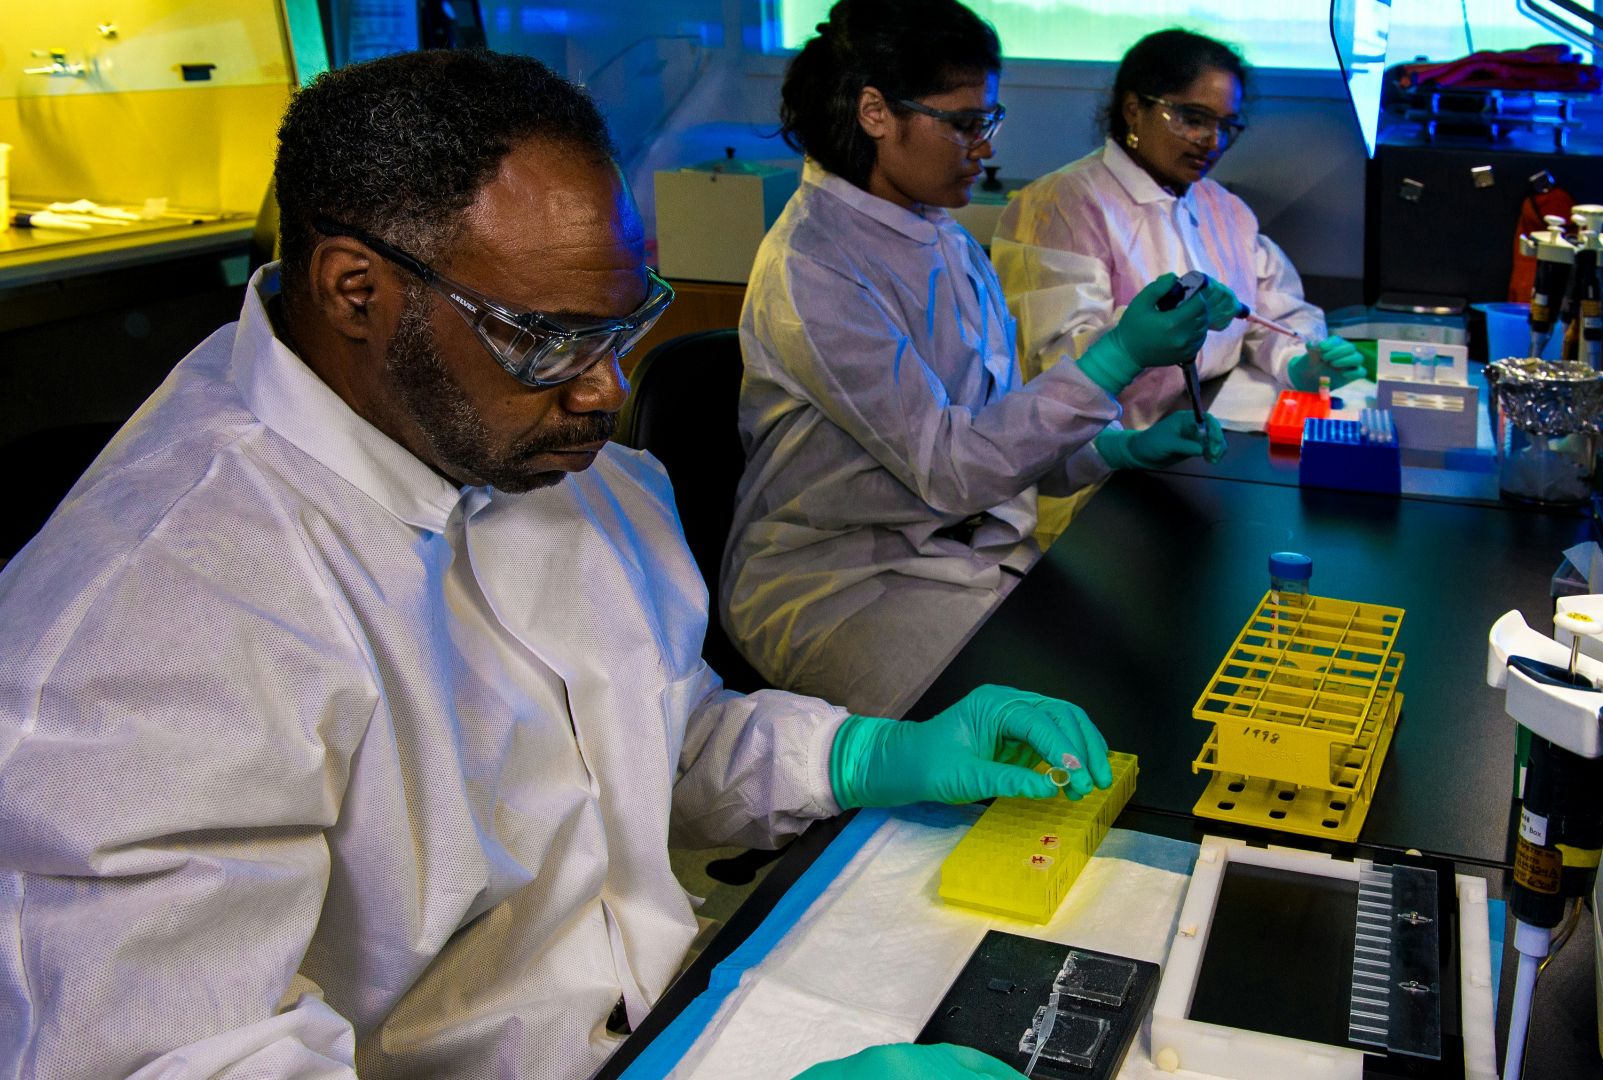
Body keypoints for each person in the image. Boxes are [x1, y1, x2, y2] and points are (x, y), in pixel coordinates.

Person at [0, 49, 1111, 1080]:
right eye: (547, 340)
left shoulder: (556, 460)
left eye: (626, 327)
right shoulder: (150, 621)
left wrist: (863, 754)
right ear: (353, 290)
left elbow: (645, 739)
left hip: (668, 1022)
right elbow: (177, 1057)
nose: (607, 392)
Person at [726, 0, 1238, 718]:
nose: (984, 147)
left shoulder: (945, 237)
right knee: (1042, 736)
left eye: (988, 122)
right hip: (845, 584)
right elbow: (956, 468)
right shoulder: (812, 264)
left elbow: (1006, 441)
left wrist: (1121, 447)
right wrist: (1118, 356)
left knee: (1150, 675)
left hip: (965, 556)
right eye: (965, 123)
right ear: (875, 111)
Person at [994, 29, 1366, 430]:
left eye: (1227, 126)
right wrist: (1158, 325)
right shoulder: (1062, 207)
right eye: (1193, 119)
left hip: (1203, 424)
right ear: (1134, 109)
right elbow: (1055, 364)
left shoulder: (1223, 209)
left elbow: (1272, 313)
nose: (1213, 141)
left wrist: (1300, 363)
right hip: (1100, 454)